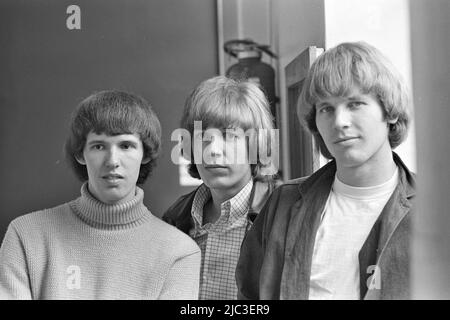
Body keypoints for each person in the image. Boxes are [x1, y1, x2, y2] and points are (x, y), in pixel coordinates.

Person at [236, 42, 415, 300]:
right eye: (326, 109)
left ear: (390, 113)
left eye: (355, 104)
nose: (339, 122)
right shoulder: (282, 204)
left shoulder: (436, 209)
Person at [0, 90, 201, 299]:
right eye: (98, 146)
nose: (112, 160)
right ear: (80, 154)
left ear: (145, 154)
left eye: (126, 145)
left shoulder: (179, 252)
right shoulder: (26, 235)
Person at [163, 76, 280, 299]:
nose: (213, 150)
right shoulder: (175, 218)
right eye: (203, 138)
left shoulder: (280, 215)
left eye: (229, 136)